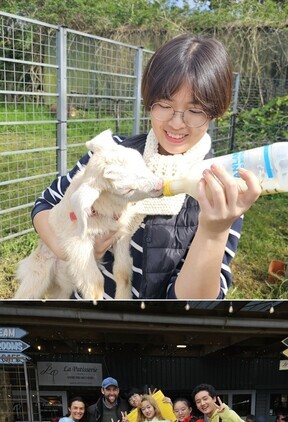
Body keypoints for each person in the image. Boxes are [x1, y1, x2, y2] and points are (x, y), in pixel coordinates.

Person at [30, 34, 261, 299]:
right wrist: (73, 250)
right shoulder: (113, 154)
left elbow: (191, 304)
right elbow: (46, 204)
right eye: (164, 105)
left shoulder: (221, 192)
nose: (176, 123)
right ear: (149, 101)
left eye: (195, 110)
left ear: (216, 112)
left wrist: (214, 231)